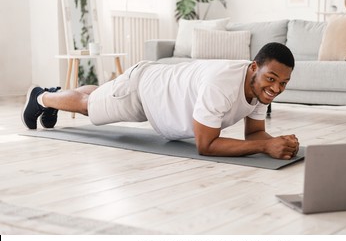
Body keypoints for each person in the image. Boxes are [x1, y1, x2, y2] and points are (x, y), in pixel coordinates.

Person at [22, 42, 299, 160]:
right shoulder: (222, 85)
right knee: (88, 107)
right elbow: (205, 145)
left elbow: (254, 133)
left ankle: (56, 95)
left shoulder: (260, 88)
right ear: (254, 67)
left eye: (283, 83)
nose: (276, 88)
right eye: (272, 79)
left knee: (97, 97)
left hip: (160, 95)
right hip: (144, 90)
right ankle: (41, 96)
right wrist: (265, 146)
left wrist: (275, 143)